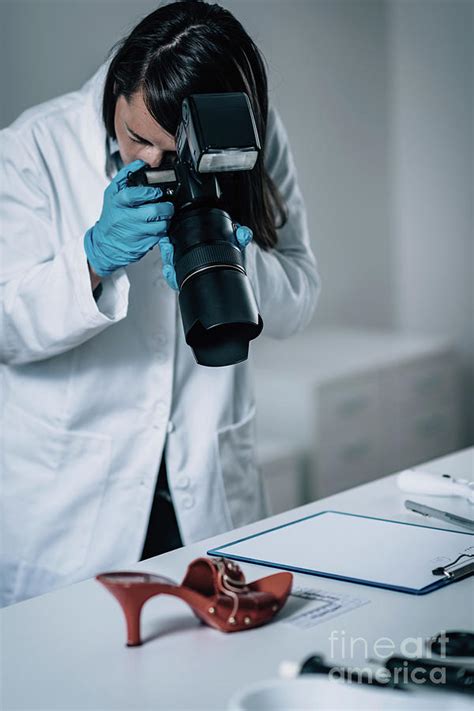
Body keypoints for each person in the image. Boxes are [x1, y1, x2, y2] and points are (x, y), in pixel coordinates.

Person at [0, 0, 320, 607]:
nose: (151, 163)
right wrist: (93, 258)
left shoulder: (256, 137)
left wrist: (236, 259)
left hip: (208, 501)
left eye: (175, 155)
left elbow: (300, 297)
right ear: (116, 92)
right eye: (137, 138)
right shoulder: (31, 150)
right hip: (68, 519)